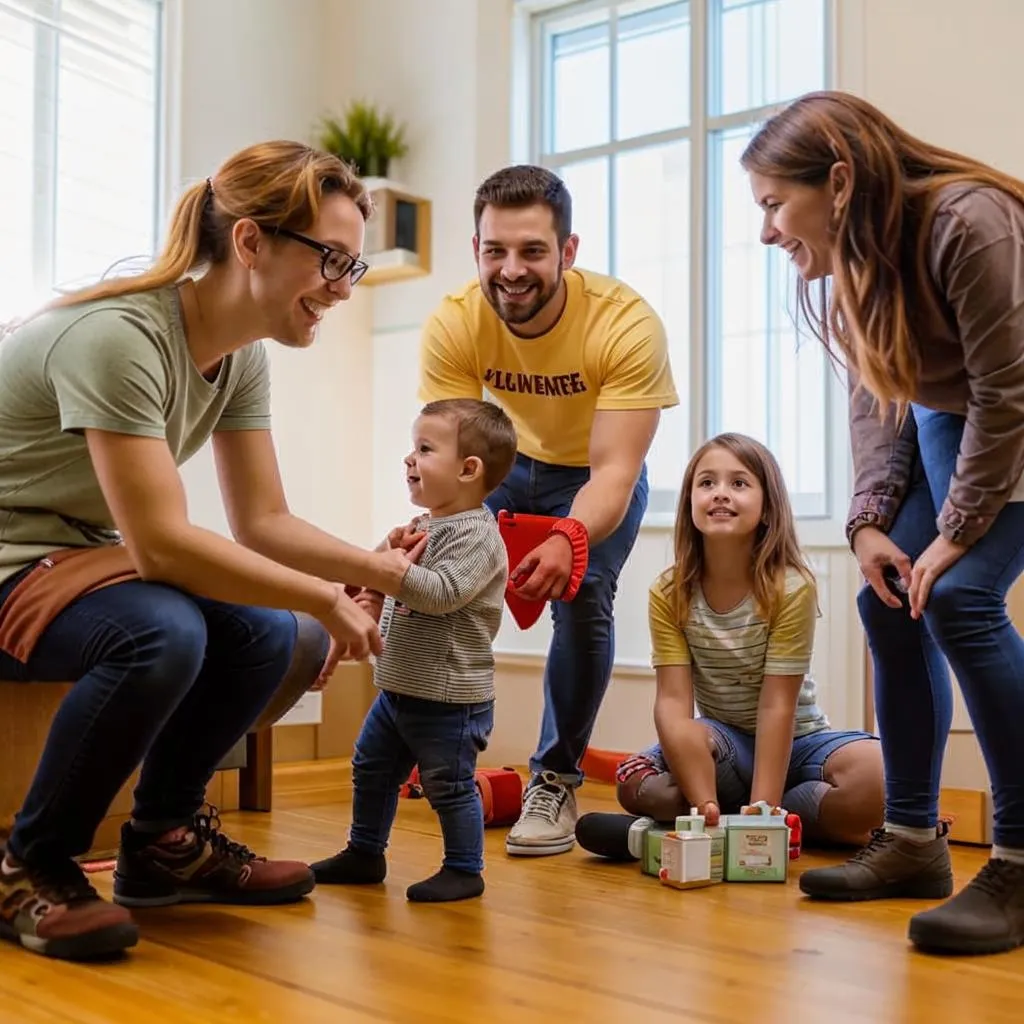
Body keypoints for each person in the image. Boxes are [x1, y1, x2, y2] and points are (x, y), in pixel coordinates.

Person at [0, 140, 424, 962]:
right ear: (251, 242)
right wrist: (319, 594)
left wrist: (379, 574)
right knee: (163, 632)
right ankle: (30, 864)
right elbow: (161, 545)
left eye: (354, 267)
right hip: (11, 557)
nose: (340, 287)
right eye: (331, 259)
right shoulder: (120, 337)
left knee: (276, 633)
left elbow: (263, 519)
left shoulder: (240, 361)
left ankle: (163, 841)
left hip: (72, 554)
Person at [741, 89, 1024, 956]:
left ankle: (1018, 860)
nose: (765, 232)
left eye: (772, 206)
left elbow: (1007, 393)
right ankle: (912, 843)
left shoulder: (970, 224)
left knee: (961, 595)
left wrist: (960, 528)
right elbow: (880, 396)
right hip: (963, 413)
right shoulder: (859, 260)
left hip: (1013, 405)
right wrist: (869, 522)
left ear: (837, 182)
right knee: (891, 599)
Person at [417, 165, 679, 857]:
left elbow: (616, 469)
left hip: (589, 471)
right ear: (475, 249)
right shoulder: (455, 320)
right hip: (500, 464)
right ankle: (434, 755)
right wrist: (432, 536)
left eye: (532, 251)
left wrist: (568, 534)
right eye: (494, 251)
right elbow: (451, 455)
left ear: (568, 251)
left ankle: (555, 779)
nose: (511, 270)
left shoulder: (625, 324)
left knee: (585, 594)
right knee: (440, 580)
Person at [614, 433, 884, 847]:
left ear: (767, 507)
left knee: (880, 778)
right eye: (707, 483)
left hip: (801, 743)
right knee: (641, 790)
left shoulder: (791, 587)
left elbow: (778, 705)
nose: (720, 493)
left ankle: (763, 811)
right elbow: (672, 703)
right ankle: (715, 813)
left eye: (738, 483)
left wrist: (762, 816)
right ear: (690, 502)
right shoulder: (668, 593)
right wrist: (702, 799)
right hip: (723, 745)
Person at [311, 398, 517, 902]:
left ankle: (465, 868)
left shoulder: (479, 537)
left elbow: (442, 592)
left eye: (424, 449)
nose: (409, 459)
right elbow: (377, 567)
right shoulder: (424, 525)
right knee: (372, 768)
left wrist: (395, 569)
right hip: (399, 686)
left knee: (448, 784)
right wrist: (389, 548)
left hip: (449, 695)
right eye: (412, 447)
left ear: (469, 470)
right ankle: (364, 851)